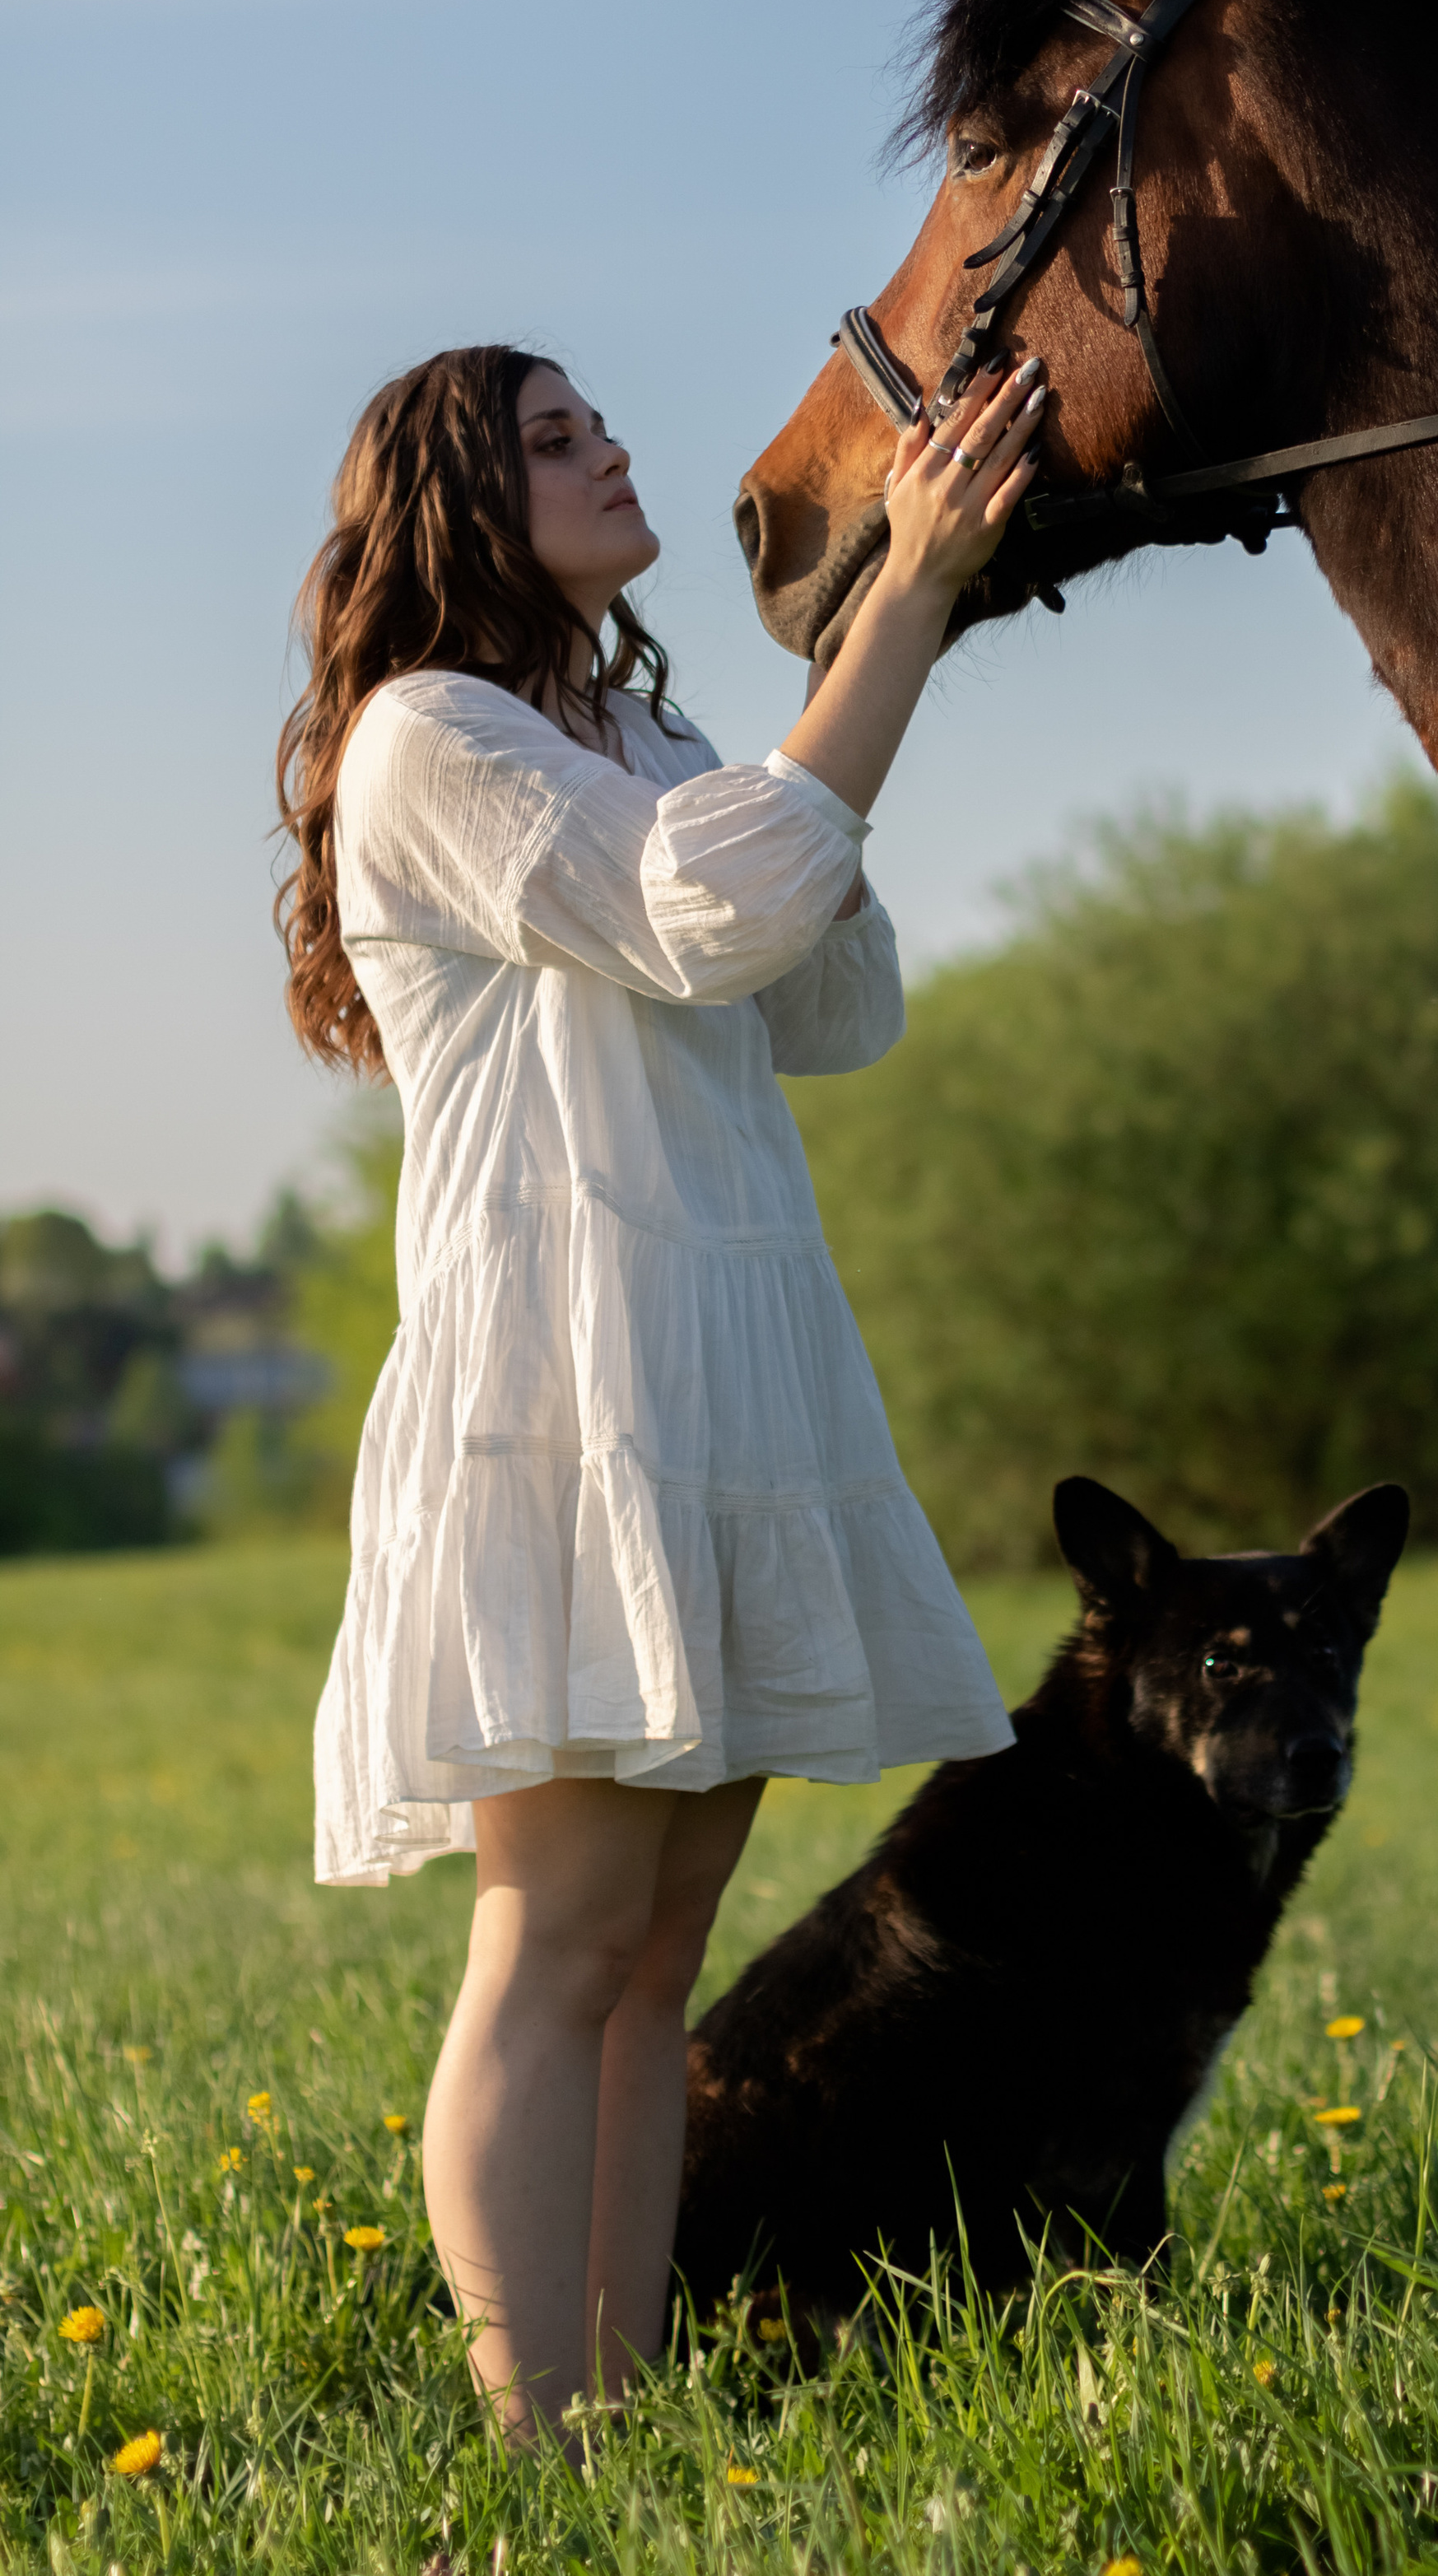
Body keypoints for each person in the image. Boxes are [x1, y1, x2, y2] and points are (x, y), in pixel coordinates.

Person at [275, 339, 1042, 2449]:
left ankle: (612, 2418)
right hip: (559, 1370)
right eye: (551, 436)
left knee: (657, 1944)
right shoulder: (428, 736)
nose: (609, 449)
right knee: (556, 1929)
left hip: (719, 1364)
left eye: (596, 422)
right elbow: (714, 917)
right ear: (449, 501)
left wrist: (819, 742)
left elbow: (830, 994)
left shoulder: (632, 724)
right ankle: (540, 2448)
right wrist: (897, 617)